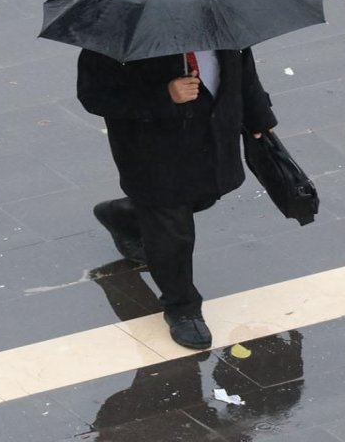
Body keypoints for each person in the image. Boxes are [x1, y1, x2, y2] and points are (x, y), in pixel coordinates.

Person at [77, 47, 276, 350]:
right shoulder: (119, 42)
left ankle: (126, 215)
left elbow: (242, 67)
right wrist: (165, 95)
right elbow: (94, 95)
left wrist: (259, 115)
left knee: (201, 199)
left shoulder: (219, 25)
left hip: (211, 139)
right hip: (152, 151)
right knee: (172, 229)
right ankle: (182, 308)